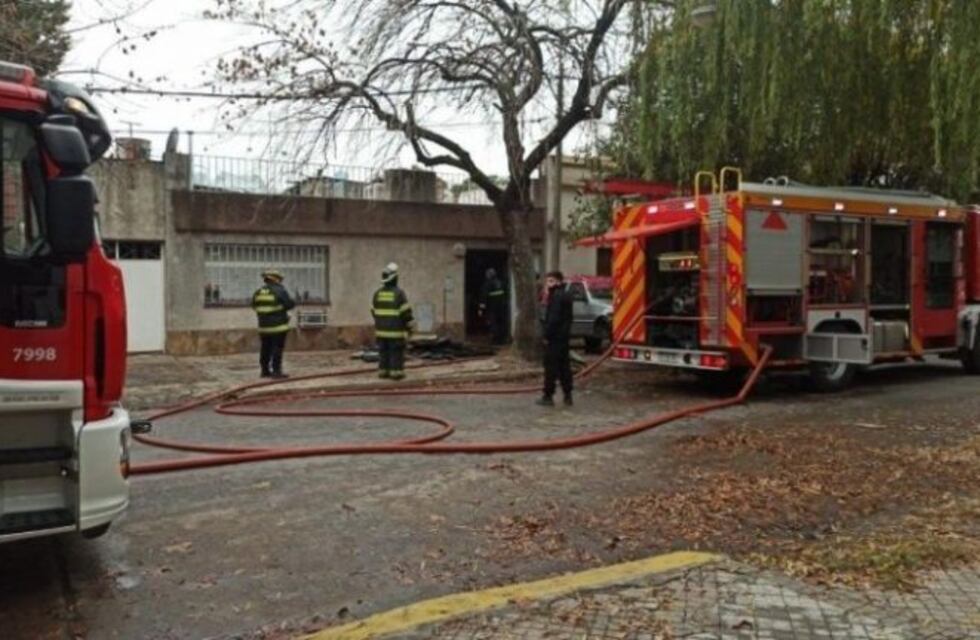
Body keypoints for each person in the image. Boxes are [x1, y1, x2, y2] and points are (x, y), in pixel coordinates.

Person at [371, 262, 414, 380]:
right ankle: (396, 373)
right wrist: (410, 327)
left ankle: (383, 372)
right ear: (395, 278)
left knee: (383, 352)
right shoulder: (399, 294)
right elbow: (406, 313)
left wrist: (381, 322)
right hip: (395, 331)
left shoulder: (377, 294)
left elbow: (373, 311)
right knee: (396, 352)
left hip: (380, 331)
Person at [537, 270, 574, 407]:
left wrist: (546, 335)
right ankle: (568, 395)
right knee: (564, 367)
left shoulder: (556, 297)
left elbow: (553, 319)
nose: (548, 284)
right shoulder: (566, 295)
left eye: (551, 281)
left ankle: (548, 396)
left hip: (554, 339)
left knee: (551, 367)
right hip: (564, 338)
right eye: (547, 281)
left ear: (558, 281)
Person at [251, 269, 296, 379]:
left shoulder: (259, 291)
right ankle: (276, 371)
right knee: (277, 348)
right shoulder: (280, 290)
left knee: (265, 348)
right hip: (278, 326)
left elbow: (254, 305)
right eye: (279, 279)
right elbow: (289, 304)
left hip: (263, 327)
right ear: (275, 279)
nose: (280, 281)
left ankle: (264, 371)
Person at [478, 267, 507, 345]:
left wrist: (481, 309)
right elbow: (506, 294)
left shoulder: (487, 284)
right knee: (501, 323)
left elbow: (483, 298)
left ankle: (495, 339)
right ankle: (502, 339)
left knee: (493, 323)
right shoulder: (501, 283)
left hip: (492, 307)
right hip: (502, 307)